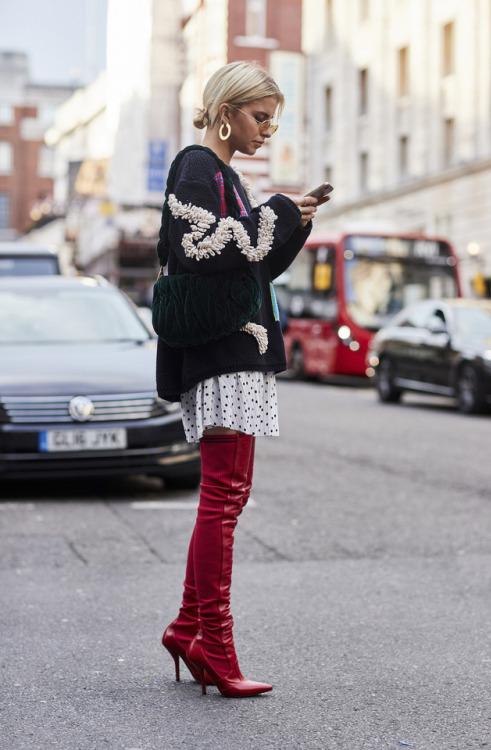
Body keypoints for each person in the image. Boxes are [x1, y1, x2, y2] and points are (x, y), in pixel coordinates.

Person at [156, 61, 328, 698]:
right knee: (222, 500)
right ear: (225, 111)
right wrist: (278, 210)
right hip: (222, 356)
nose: (268, 130)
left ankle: (187, 626)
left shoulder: (223, 176)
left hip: (238, 352)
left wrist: (293, 221)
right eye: (260, 117)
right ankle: (214, 644)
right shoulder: (196, 166)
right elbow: (203, 246)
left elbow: (250, 267)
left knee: (226, 498)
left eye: (273, 119)